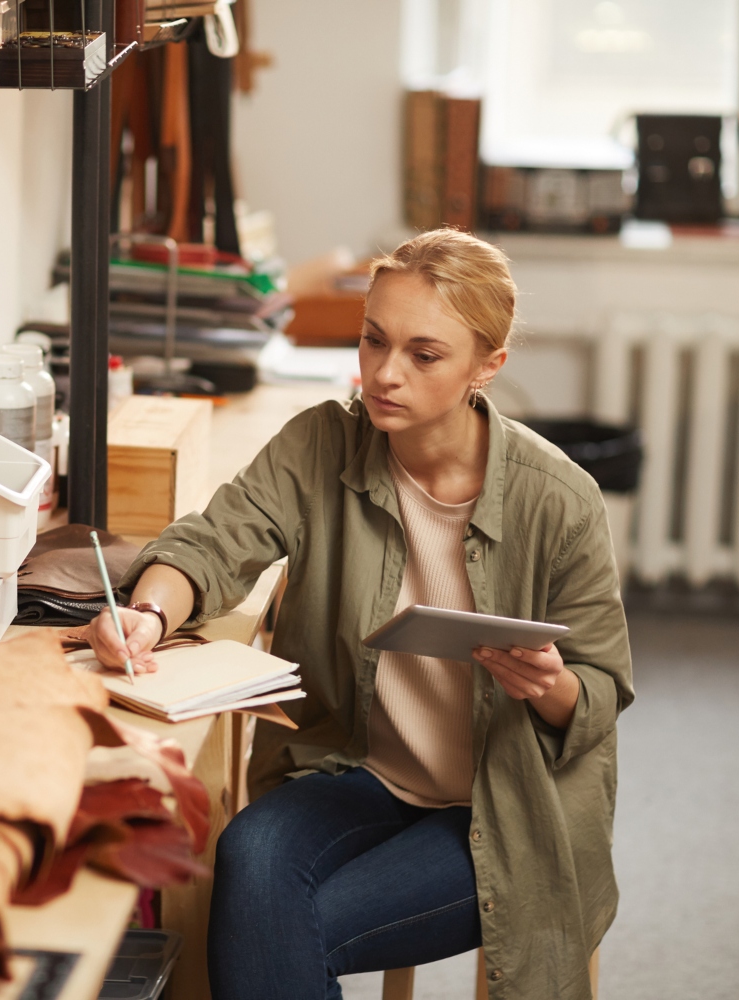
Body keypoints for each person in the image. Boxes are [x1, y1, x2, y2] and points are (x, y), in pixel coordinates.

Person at [84, 229, 633, 1000]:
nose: (383, 373)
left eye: (423, 354)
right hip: (356, 772)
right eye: (373, 341)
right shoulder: (320, 443)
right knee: (252, 852)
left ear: (488, 366)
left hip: (500, 807)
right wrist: (147, 610)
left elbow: (602, 692)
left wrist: (548, 687)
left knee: (272, 927)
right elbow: (215, 542)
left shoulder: (561, 500)